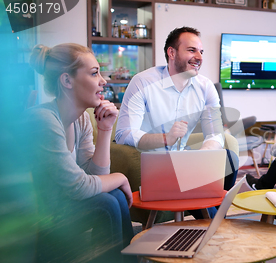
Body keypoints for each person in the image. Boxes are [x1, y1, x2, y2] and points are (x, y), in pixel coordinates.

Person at [26, 43, 135, 262]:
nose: (103, 80)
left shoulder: (82, 119)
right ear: (67, 80)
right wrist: (121, 177)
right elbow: (79, 187)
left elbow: (96, 176)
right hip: (45, 220)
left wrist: (104, 130)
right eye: (95, 73)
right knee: (108, 202)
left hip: (68, 210)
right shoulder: (44, 120)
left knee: (114, 196)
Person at [115, 27, 237, 218]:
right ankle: (214, 227)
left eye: (201, 52)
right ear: (171, 53)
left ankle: (213, 222)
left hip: (183, 162)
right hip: (151, 162)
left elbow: (214, 133)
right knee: (205, 207)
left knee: (230, 158)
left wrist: (203, 156)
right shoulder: (143, 83)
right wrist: (165, 138)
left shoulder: (206, 87)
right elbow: (123, 134)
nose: (199, 57)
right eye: (191, 50)